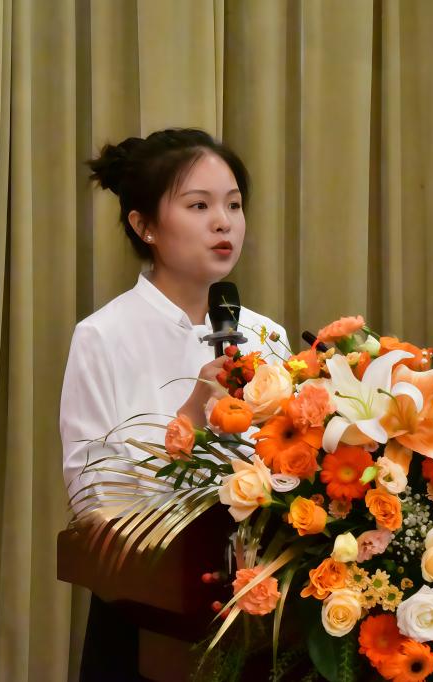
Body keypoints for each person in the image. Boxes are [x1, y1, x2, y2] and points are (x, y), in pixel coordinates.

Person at [59, 128, 290, 681]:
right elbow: (93, 497)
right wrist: (189, 416)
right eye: (199, 206)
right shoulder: (103, 336)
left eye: (234, 205)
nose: (224, 223)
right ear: (145, 226)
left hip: (259, 608)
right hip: (145, 614)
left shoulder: (266, 336)